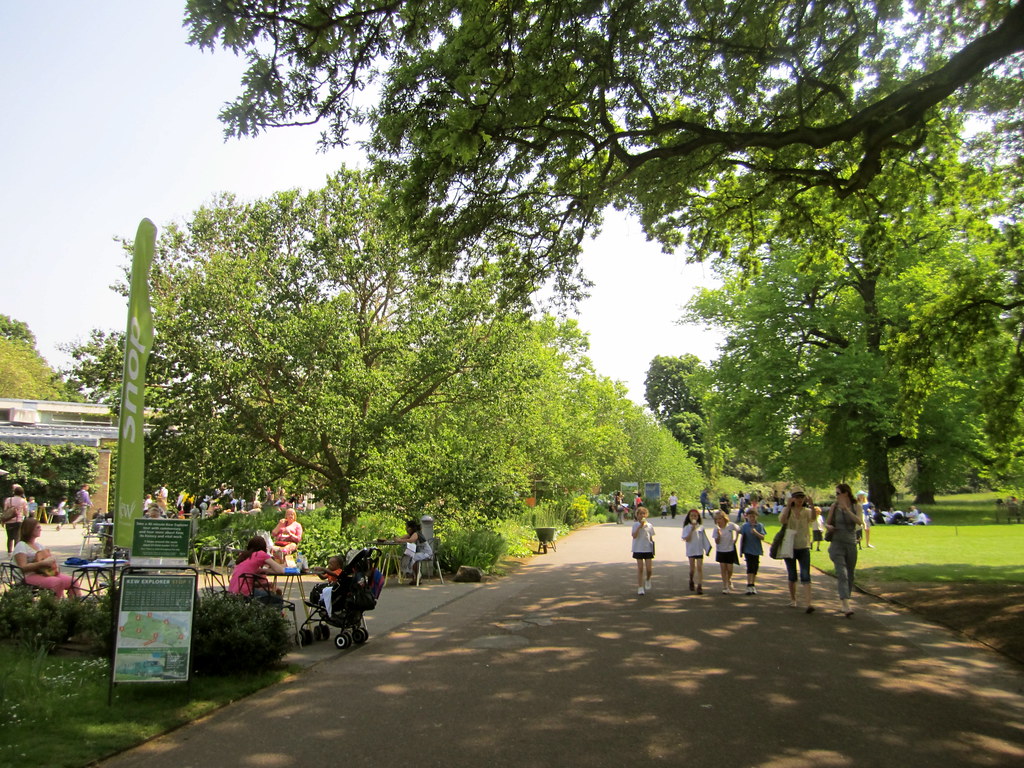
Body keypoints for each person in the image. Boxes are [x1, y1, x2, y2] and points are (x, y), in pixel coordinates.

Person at [13, 518, 81, 598]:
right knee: (57, 582)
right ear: (29, 529)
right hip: (27, 576)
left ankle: (74, 606)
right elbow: (23, 568)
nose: (41, 529)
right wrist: (42, 563)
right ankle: (56, 607)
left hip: (45, 573)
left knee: (73, 581)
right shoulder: (21, 545)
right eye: (38, 527)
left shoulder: (39, 546)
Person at [826, 483, 864, 617]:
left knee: (850, 574)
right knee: (842, 573)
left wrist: (846, 510)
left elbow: (859, 522)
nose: (836, 496)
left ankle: (846, 600)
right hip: (837, 543)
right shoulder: (834, 507)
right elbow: (828, 522)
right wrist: (829, 527)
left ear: (845, 493)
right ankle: (845, 604)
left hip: (851, 543)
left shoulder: (856, 506)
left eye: (838, 493)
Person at [779, 487, 816, 613]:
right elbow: (782, 521)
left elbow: (813, 518)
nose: (800, 500)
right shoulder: (787, 510)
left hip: (803, 545)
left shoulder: (806, 511)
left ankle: (808, 603)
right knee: (792, 574)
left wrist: (811, 505)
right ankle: (793, 599)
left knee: (805, 574)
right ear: (793, 499)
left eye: (801, 498)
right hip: (790, 545)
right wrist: (788, 507)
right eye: (797, 498)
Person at [393, 519, 433, 585]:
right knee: (409, 556)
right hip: (420, 553)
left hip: (426, 553)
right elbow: (402, 538)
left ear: (410, 528)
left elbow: (411, 540)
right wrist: (397, 539)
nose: (406, 529)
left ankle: (417, 577)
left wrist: (400, 540)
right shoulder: (411, 534)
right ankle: (414, 576)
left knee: (413, 557)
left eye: (406, 527)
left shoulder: (416, 533)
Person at [712, 510, 740, 594]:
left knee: (730, 569)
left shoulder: (730, 526)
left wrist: (736, 539)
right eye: (717, 519)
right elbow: (716, 542)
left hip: (730, 550)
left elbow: (738, 529)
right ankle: (725, 585)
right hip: (721, 550)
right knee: (723, 568)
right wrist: (719, 535)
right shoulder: (716, 529)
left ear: (724, 518)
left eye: (720, 518)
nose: (718, 521)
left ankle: (729, 580)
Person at [739, 508, 767, 594]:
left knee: (755, 567)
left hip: (756, 549)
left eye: (753, 517)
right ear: (747, 517)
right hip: (748, 549)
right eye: (750, 516)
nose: (752, 518)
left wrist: (755, 532)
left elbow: (762, 537)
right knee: (749, 566)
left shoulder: (759, 526)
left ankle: (753, 584)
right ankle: (749, 585)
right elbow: (742, 537)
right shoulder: (745, 526)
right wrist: (741, 550)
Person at [631, 506, 655, 595]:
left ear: (646, 515)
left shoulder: (649, 525)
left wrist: (653, 548)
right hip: (638, 549)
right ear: (637, 515)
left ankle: (648, 579)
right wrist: (639, 527)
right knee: (640, 569)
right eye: (640, 514)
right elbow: (634, 536)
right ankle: (640, 587)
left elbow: (651, 537)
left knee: (649, 570)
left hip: (648, 549)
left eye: (643, 514)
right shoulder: (635, 525)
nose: (642, 515)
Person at [4, 484, 29, 555]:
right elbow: (26, 511)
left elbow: (5, 509)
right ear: (22, 493)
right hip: (18, 520)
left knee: (9, 537)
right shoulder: (23, 501)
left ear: (14, 492)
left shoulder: (9, 499)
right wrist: (26, 516)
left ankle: (9, 552)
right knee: (17, 536)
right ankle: (16, 551)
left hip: (8, 520)